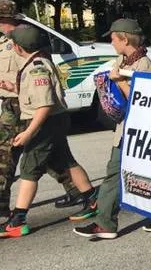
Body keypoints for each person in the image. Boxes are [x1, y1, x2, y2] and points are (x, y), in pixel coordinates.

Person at [0, 25, 97, 238]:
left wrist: (28, 133)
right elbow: (35, 93)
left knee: (29, 168)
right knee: (64, 161)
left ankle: (18, 220)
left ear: (17, 47)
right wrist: (12, 86)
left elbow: (44, 106)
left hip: (45, 122)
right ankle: (92, 198)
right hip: (54, 120)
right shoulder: (37, 62)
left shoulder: (36, 68)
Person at [73, 19, 151, 240]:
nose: (110, 42)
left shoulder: (144, 65)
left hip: (140, 131)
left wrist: (119, 81)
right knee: (113, 173)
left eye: (113, 38)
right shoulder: (122, 60)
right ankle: (105, 223)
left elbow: (145, 101)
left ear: (125, 39)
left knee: (144, 174)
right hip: (123, 128)